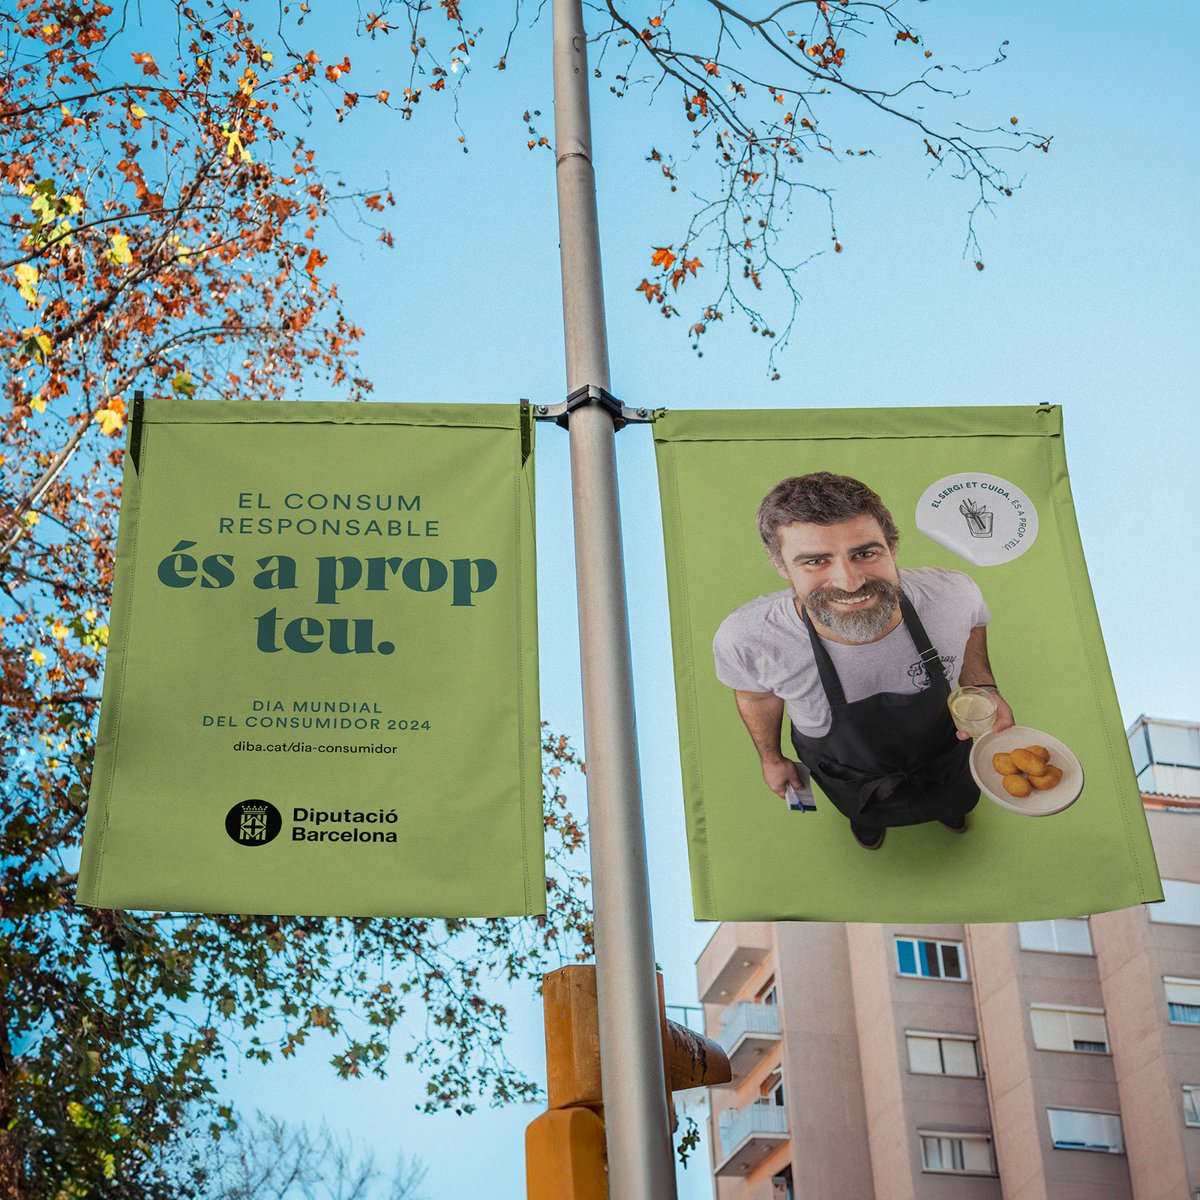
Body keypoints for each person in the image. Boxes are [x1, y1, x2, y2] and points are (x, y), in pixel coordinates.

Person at [713, 472, 1014, 850]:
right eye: (815, 561)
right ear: (780, 565)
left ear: (892, 549)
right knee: (863, 813)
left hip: (943, 751)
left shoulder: (953, 593)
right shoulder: (749, 637)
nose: (850, 582)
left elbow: (974, 626)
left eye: (865, 553)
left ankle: (948, 809)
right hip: (847, 772)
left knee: (955, 799)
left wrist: (983, 687)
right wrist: (771, 759)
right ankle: (868, 822)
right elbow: (756, 697)